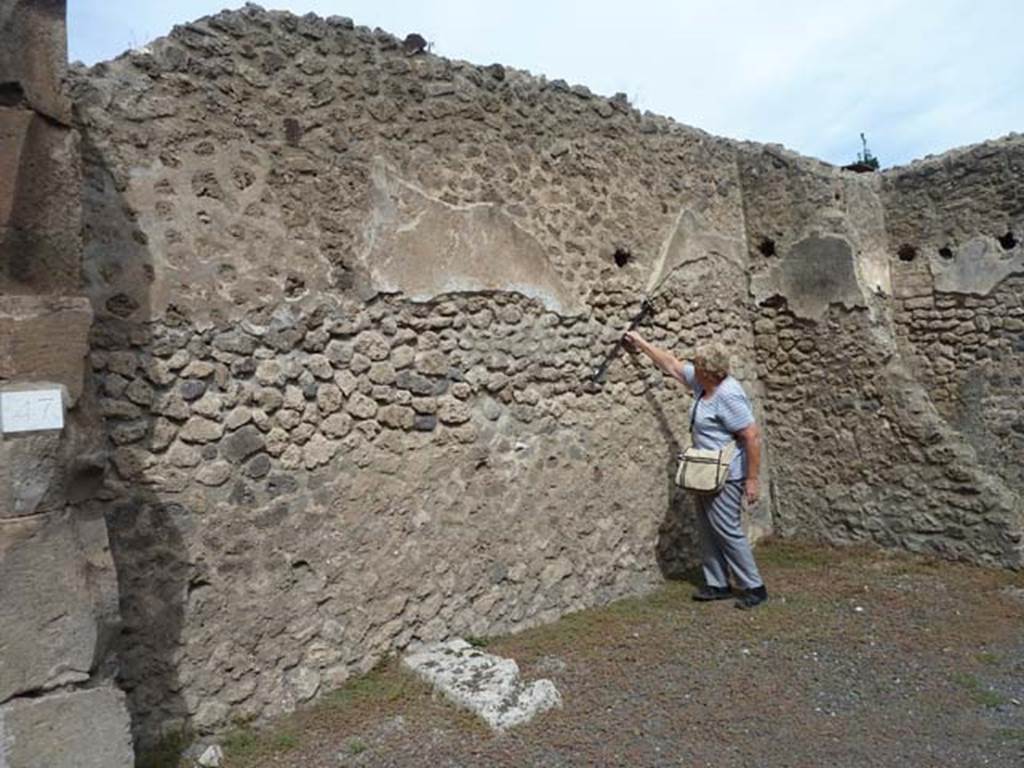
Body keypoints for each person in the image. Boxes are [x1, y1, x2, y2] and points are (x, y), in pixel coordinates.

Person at [623, 332, 768, 609]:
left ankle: (754, 585)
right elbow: (673, 365)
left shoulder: (728, 395)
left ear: (711, 373)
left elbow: (751, 436)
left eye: (699, 369)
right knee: (707, 526)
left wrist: (751, 479)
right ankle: (717, 583)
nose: (694, 372)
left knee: (726, 529)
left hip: (727, 473)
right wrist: (640, 342)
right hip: (705, 471)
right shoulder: (704, 385)